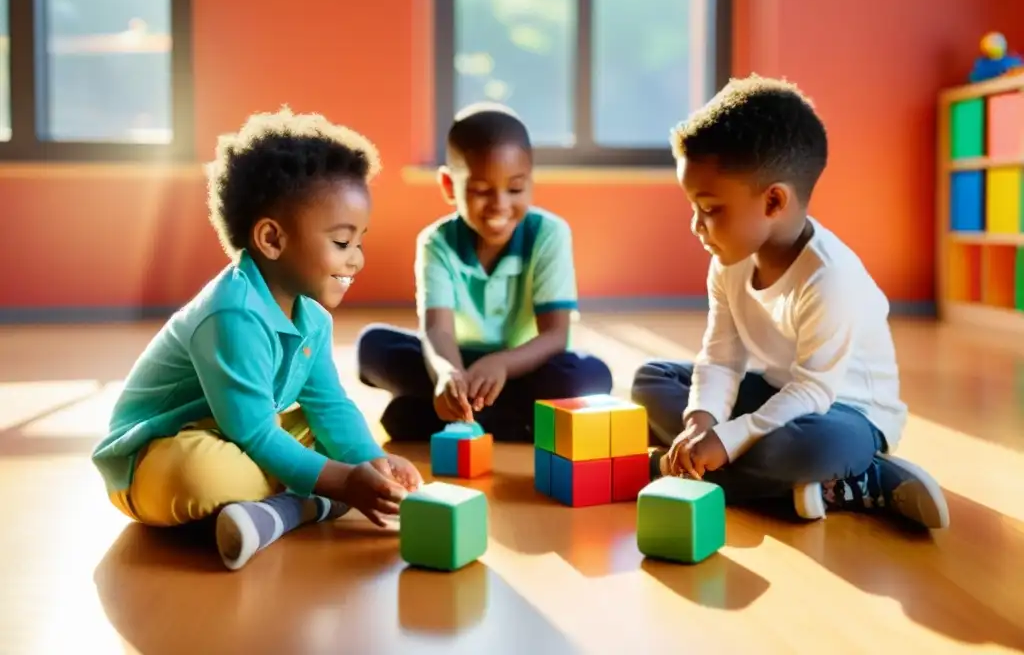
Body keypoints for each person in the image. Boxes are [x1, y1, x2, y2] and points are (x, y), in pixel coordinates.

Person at [91, 107, 423, 571]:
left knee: (329, 439)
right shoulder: (232, 312)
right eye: (343, 243)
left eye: (360, 242)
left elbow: (329, 405)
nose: (357, 261)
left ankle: (279, 511)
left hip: (234, 432)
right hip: (155, 457)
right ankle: (308, 503)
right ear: (271, 239)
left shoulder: (313, 318)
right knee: (203, 473)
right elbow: (254, 433)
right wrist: (343, 482)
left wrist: (371, 460)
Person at [631, 75, 949, 530]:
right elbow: (721, 357)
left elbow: (814, 391)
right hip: (778, 394)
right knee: (651, 380)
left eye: (710, 208)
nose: (696, 226)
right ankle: (791, 483)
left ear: (774, 200)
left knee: (800, 449)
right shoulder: (729, 260)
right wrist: (703, 422)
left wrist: (730, 436)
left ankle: (862, 475)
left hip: (845, 413)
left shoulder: (829, 277)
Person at [356, 103, 613, 442]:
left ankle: (440, 419)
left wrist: (503, 365)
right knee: (373, 346)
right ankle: (501, 419)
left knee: (590, 375)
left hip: (522, 366)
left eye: (515, 189)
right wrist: (447, 374)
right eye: (480, 190)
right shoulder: (437, 242)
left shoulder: (549, 233)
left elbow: (554, 335)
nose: (500, 205)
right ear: (449, 185)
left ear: (531, 183)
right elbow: (437, 331)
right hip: (458, 361)